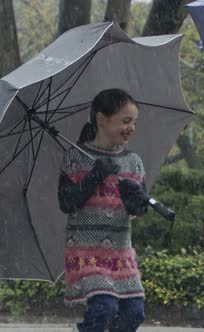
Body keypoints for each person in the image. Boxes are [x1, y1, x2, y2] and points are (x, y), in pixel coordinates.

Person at [58, 88, 150, 332]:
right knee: (104, 308)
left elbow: (139, 210)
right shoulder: (76, 158)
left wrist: (137, 200)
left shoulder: (133, 162)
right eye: (125, 121)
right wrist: (95, 175)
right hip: (86, 251)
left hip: (120, 254)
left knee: (134, 313)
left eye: (134, 122)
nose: (132, 127)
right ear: (101, 119)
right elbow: (67, 203)